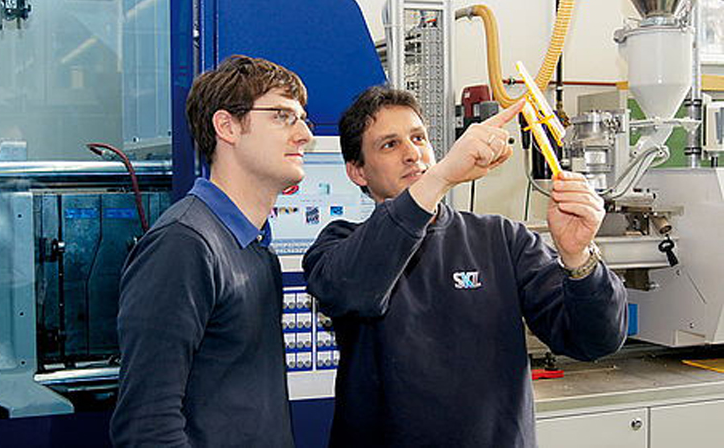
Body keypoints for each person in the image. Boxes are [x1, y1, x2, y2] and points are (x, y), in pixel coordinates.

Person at [302, 86, 628, 448]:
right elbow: (351, 289)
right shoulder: (340, 246)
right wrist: (439, 179)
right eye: (390, 145)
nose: (412, 153)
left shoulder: (501, 239)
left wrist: (578, 257)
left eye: (418, 138)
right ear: (357, 172)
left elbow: (595, 340)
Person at [110, 55, 313, 447]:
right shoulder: (183, 245)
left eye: (302, 119)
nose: (304, 134)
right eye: (282, 116)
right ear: (227, 126)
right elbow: (147, 427)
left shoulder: (255, 247)